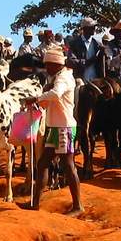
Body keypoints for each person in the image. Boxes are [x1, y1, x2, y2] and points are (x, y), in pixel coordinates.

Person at [25, 49, 82, 215]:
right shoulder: (59, 77)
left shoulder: (63, 78)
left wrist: (36, 98)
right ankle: (34, 204)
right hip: (55, 127)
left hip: (63, 127)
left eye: (47, 65)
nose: (46, 68)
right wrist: (39, 102)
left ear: (55, 64)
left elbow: (56, 95)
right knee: (43, 163)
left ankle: (78, 206)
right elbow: (51, 100)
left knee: (68, 165)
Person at [67, 17, 102, 81]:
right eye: (92, 27)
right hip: (80, 80)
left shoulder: (97, 44)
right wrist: (88, 62)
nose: (94, 28)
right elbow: (71, 61)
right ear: (85, 28)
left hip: (95, 80)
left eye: (94, 26)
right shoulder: (74, 43)